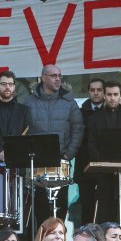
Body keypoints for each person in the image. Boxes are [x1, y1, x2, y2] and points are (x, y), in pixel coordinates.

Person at [25, 64, 84, 222]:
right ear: (43, 78)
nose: (58, 79)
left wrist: (69, 153)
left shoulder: (69, 102)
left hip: (61, 159)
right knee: (40, 205)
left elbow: (78, 129)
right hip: (38, 161)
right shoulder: (29, 102)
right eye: (53, 76)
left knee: (61, 205)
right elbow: (24, 130)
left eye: (59, 76)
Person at [86, 81, 121, 230]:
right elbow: (91, 145)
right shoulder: (94, 119)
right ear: (104, 96)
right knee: (104, 208)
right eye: (109, 94)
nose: (112, 98)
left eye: (115, 94)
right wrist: (106, 165)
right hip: (103, 173)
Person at [74, 78, 105, 224]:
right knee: (87, 206)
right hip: (84, 165)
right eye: (93, 90)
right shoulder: (79, 113)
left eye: (99, 90)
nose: (96, 93)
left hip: (106, 166)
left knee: (106, 206)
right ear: (88, 92)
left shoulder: (110, 112)